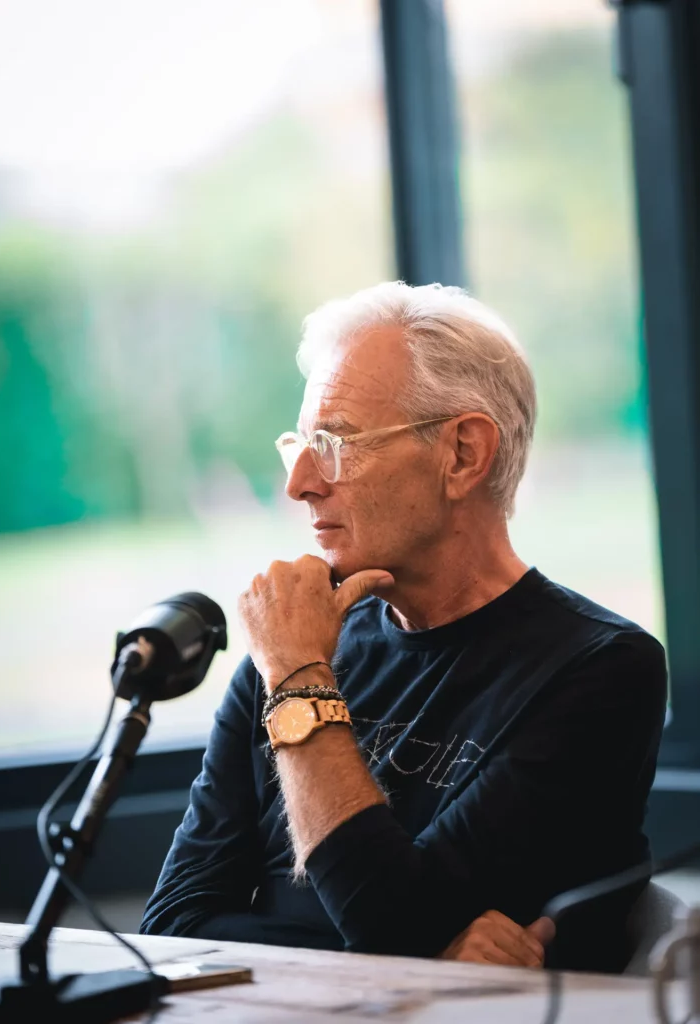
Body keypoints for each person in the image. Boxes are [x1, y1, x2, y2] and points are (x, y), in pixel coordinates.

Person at [141, 281, 667, 973]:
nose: (299, 482)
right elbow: (172, 927)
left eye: (335, 442)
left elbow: (392, 921)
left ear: (462, 455)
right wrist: (431, 951)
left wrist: (300, 686)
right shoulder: (293, 640)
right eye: (300, 444)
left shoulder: (600, 669)